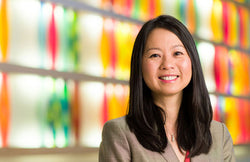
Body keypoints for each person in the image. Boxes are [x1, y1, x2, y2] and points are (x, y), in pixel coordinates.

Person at [99, 15, 235, 162]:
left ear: (192, 61)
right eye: (155, 55)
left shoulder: (219, 135)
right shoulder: (120, 133)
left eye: (177, 53)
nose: (167, 64)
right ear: (139, 65)